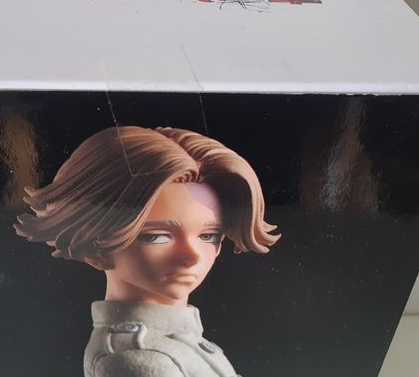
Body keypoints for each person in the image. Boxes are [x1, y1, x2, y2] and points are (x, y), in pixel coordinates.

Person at [15, 126, 279, 377]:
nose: (192, 256)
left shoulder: (170, 342)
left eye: (208, 236)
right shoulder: (140, 358)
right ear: (96, 247)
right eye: (156, 237)